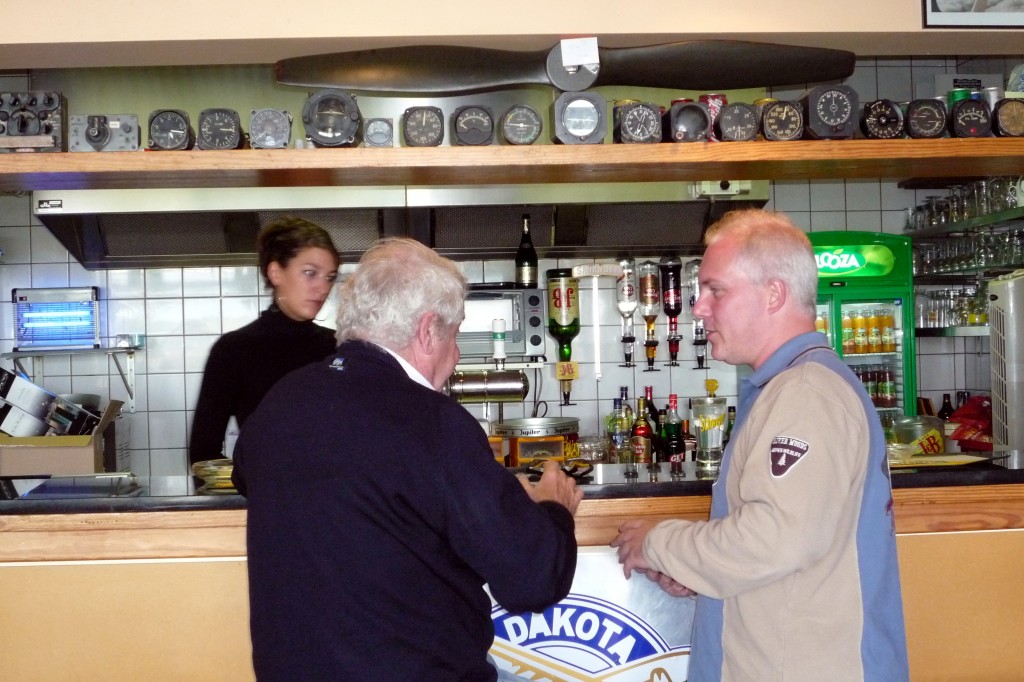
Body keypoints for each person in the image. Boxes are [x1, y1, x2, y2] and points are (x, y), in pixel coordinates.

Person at [232, 237, 582, 681]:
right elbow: (533, 580)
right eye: (454, 337)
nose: (454, 359)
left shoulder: (281, 401)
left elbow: (259, 475)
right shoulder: (434, 423)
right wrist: (553, 508)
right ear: (427, 330)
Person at [611, 209, 909, 681]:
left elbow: (771, 541)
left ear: (773, 294)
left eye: (716, 290)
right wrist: (696, 570)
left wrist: (659, 544)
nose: (699, 307)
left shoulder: (805, 396)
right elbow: (785, 548)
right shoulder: (792, 387)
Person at [188, 217, 340, 467]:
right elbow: (203, 453)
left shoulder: (339, 347)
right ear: (275, 272)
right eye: (310, 273)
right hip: (267, 501)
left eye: (329, 277)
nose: (322, 288)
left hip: (340, 499)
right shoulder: (234, 350)